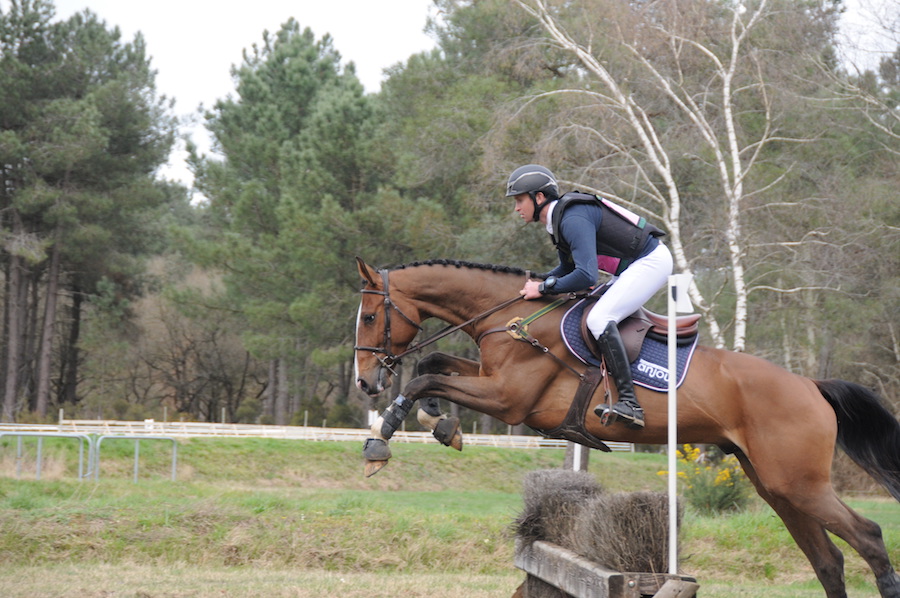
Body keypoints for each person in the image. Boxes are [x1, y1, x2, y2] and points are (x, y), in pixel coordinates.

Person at [506, 164, 673, 429]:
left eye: (519, 200)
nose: (516, 208)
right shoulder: (560, 220)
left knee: (598, 319)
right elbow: (568, 269)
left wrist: (544, 288)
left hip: (651, 262)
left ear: (539, 198)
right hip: (632, 267)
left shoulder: (571, 219)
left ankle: (631, 403)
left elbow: (586, 276)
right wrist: (539, 282)